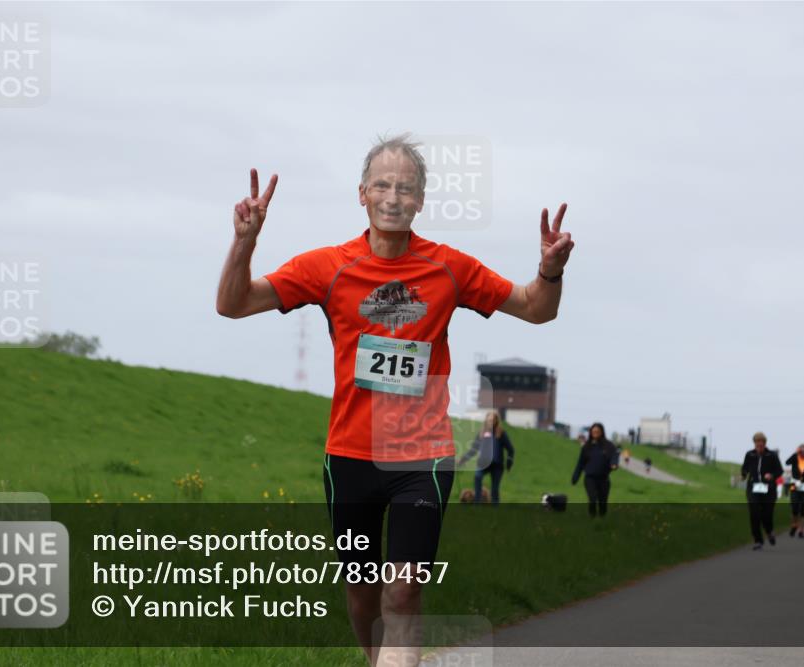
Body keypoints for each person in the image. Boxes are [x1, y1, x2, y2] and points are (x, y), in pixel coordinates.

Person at [215, 134, 574, 666]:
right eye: (381, 184)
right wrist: (245, 241)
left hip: (422, 457)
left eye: (406, 188)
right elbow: (233, 304)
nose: (393, 196)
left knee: (403, 590)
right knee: (362, 595)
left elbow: (535, 309)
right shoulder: (328, 266)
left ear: (421, 201)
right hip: (351, 457)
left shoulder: (450, 267)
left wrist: (549, 270)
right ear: (361, 193)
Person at [456, 411, 515, 505]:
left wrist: (509, 462)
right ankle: (477, 503)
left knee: (495, 488)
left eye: (493, 420)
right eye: (489, 420)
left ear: (496, 421)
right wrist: (462, 460)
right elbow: (473, 449)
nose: (490, 422)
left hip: (497, 465)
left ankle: (495, 507)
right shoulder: (481, 433)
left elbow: (511, 449)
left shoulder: (501, 433)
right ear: (486, 421)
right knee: (477, 476)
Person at [741, 431, 783, 550]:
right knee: (754, 513)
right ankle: (758, 540)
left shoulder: (772, 455)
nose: (759, 444)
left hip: (769, 489)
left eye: (761, 442)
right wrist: (743, 474)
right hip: (753, 488)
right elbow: (745, 468)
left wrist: (772, 475)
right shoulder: (750, 455)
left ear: (765, 443)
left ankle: (769, 532)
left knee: (767, 514)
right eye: (757, 442)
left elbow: (779, 471)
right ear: (754, 443)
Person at [571, 422, 619, 517]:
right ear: (590, 433)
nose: (595, 433)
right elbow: (580, 464)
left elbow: (615, 455)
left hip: (604, 479)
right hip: (590, 478)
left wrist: (614, 464)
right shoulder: (586, 447)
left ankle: (602, 521)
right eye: (593, 432)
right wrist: (575, 478)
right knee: (592, 499)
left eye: (597, 431)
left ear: (602, 432)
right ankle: (592, 518)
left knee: (603, 503)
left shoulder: (608, 446)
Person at [785, 443, 804, 538]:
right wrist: (795, 453)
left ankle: (801, 530)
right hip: (795, 486)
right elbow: (787, 462)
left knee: (803, 509)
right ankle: (794, 525)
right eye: (801, 450)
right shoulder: (795, 457)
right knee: (794, 507)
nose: (803, 452)